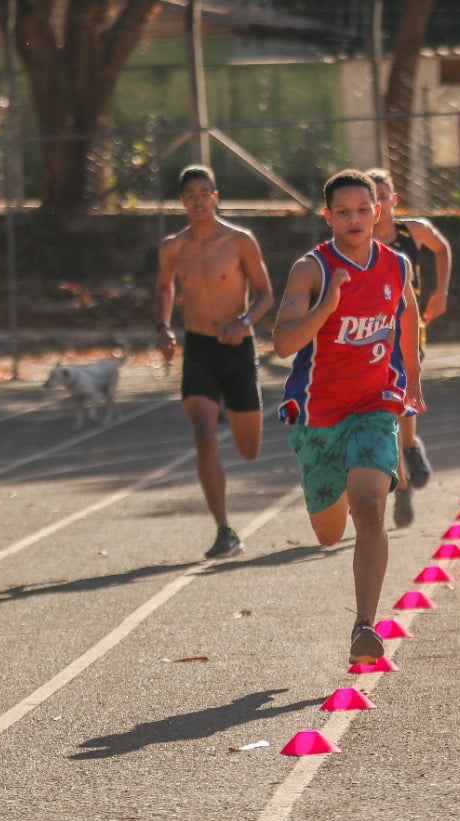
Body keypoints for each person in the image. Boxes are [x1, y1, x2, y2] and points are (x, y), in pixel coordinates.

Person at [272, 169, 425, 666]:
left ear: (378, 211)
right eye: (344, 212)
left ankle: (365, 625)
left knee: (371, 508)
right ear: (328, 217)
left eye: (364, 209)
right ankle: (336, 483)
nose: (355, 219)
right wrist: (328, 307)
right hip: (318, 415)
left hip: (375, 404)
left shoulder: (396, 265)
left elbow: (409, 320)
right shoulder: (310, 270)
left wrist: (414, 383)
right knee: (329, 534)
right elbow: (282, 344)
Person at [155, 165, 274, 559]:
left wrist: (243, 323)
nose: (199, 201)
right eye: (191, 195)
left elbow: (265, 295)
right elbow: (164, 286)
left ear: (216, 197)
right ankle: (225, 530)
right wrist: (163, 326)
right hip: (200, 347)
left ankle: (226, 524)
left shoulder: (240, 241)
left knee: (249, 449)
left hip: (238, 349)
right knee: (204, 433)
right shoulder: (173, 247)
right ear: (182, 201)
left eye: (205, 193)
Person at [365, 168, 451, 528]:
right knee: (384, 409)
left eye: (384, 197)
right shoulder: (360, 238)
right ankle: (401, 485)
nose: (380, 205)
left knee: (403, 395)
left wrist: (441, 292)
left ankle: (412, 447)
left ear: (393, 200)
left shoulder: (412, 231)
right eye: (374, 200)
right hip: (371, 331)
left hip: (409, 325)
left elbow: (442, 248)